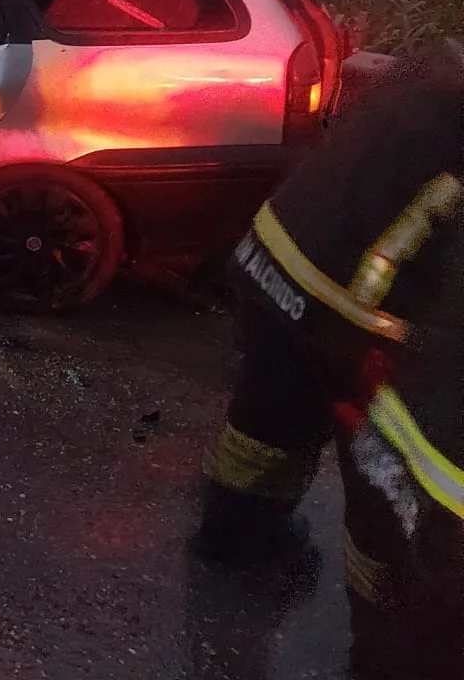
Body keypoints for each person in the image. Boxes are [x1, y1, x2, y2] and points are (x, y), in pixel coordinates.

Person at [192, 41, 464, 680]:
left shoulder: (432, 78)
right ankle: (395, 656)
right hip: (347, 317)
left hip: (274, 255)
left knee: (263, 427)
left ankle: (234, 537)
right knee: (391, 512)